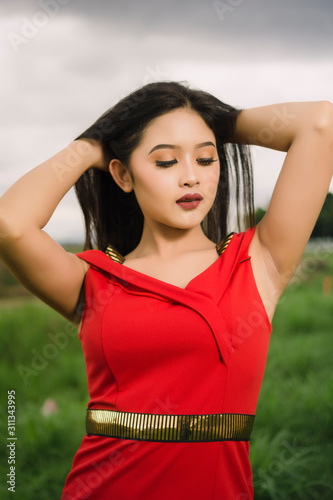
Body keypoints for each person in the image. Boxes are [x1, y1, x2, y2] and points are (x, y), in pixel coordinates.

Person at [0, 81, 332, 500]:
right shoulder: (95, 280)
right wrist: (89, 147)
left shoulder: (257, 262)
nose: (191, 176)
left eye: (207, 158)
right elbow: (10, 224)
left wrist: (214, 119)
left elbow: (321, 122)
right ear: (122, 174)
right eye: (166, 161)